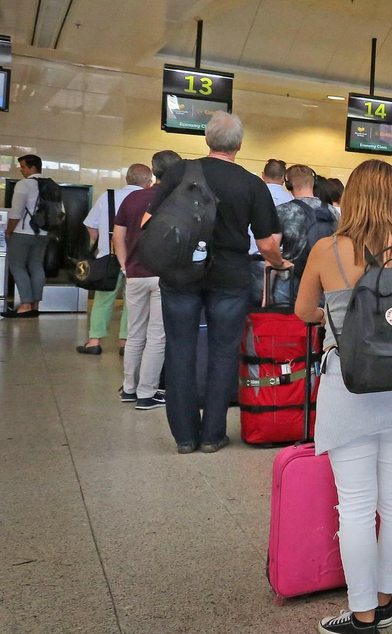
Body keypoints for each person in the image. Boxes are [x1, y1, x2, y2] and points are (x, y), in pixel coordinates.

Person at [295, 159, 392, 634]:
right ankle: (386, 598)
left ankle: (362, 618)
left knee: (355, 505)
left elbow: (302, 311)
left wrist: (337, 316)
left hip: (350, 384)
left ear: (351, 196)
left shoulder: (326, 250)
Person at [150, 113, 288, 454]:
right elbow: (268, 242)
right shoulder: (251, 183)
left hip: (181, 273)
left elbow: (152, 220)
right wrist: (279, 263)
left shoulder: (180, 172)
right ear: (239, 145)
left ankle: (184, 437)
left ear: (207, 140)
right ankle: (212, 435)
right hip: (229, 276)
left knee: (179, 348)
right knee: (223, 352)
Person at [113, 151, 179, 410]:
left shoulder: (133, 197)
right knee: (157, 336)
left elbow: (118, 236)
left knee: (134, 333)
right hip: (163, 275)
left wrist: (125, 265)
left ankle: (129, 388)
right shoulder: (175, 199)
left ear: (154, 171)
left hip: (135, 275)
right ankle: (147, 393)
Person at [76, 164, 150, 355]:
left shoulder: (107, 197)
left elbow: (90, 225)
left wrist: (100, 242)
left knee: (103, 300)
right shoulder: (148, 200)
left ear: (127, 179)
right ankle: (126, 343)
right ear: (148, 182)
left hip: (108, 258)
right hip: (136, 259)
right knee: (132, 302)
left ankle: (94, 341)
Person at [274, 163, 337, 307]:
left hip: (289, 281)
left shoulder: (283, 211)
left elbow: (272, 249)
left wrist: (266, 293)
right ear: (313, 183)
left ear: (289, 185)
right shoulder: (333, 212)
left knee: (285, 323)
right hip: (322, 282)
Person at [3, 154, 52, 318]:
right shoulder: (52, 185)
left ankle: (25, 304)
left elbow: (16, 212)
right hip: (44, 233)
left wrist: (9, 231)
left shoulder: (24, 185)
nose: (20, 170)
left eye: (23, 167)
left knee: (17, 266)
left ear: (32, 168)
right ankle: (35, 304)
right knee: (37, 266)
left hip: (23, 232)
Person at [250, 159, 294, 304]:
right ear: (283, 178)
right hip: (278, 265)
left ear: (263, 175)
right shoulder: (291, 201)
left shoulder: (252, 195)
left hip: (249, 262)